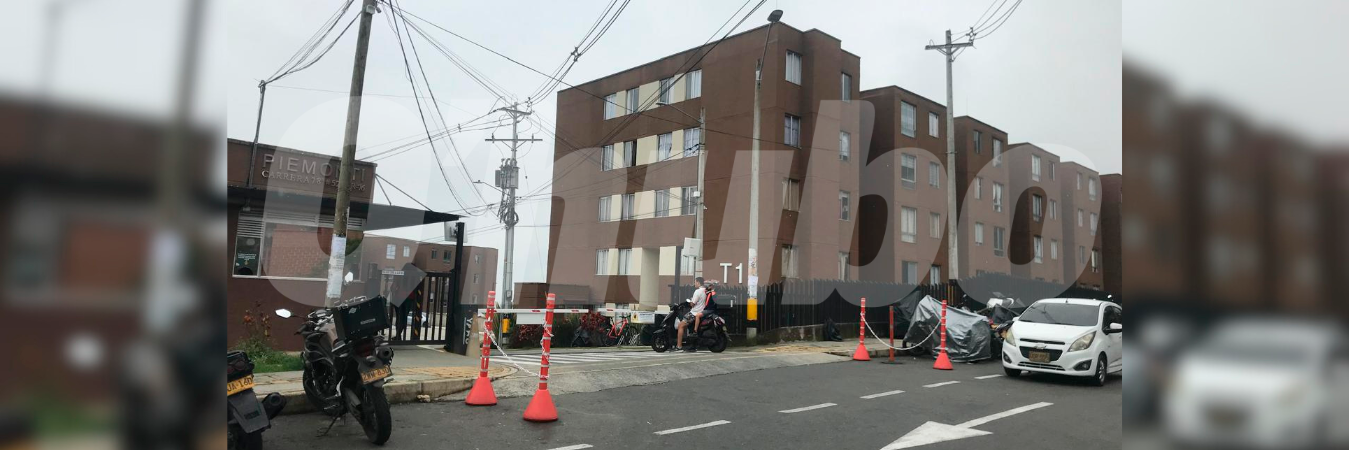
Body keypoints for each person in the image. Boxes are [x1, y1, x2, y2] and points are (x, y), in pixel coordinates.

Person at [676, 277, 707, 352]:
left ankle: (679, 346)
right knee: (691, 328)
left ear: (698, 282)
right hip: (702, 312)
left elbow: (692, 304)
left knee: (680, 325)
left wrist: (690, 302)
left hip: (694, 313)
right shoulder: (706, 291)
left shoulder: (697, 291)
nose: (694, 284)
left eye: (695, 282)